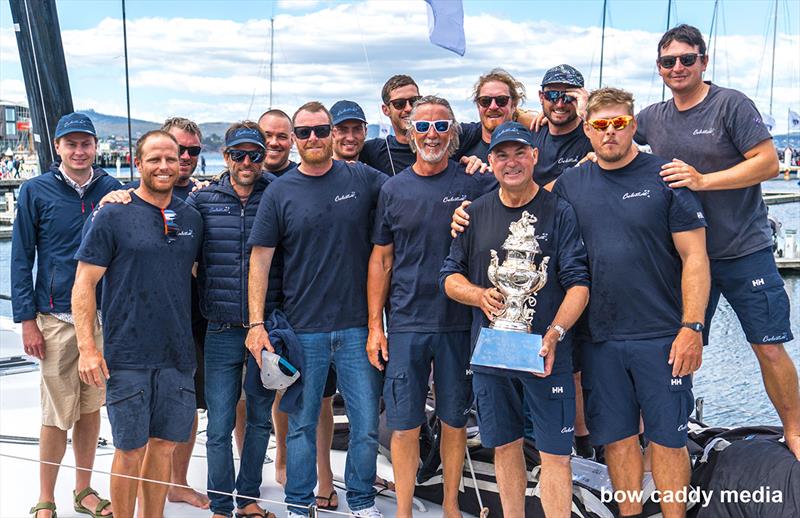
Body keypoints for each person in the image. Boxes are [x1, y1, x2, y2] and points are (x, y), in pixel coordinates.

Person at [636, 24, 800, 460]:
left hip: (745, 250)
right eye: (669, 61)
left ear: (703, 62)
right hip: (689, 260)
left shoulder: (730, 104)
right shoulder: (652, 117)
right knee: (678, 348)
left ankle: (796, 433)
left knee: (768, 344)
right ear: (659, 68)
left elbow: (766, 162)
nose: (678, 67)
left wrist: (702, 180)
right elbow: (611, 138)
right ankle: (670, 437)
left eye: (687, 59)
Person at [554, 87, 710, 518]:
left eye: (618, 124)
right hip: (599, 337)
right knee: (618, 440)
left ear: (633, 125)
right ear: (587, 130)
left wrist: (692, 327)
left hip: (662, 335)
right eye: (600, 126)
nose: (609, 134)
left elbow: (695, 257)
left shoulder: (665, 176)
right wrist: (469, 212)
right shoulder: (570, 185)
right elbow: (519, 205)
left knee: (668, 440)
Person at [440, 121, 590, 517]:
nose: (512, 162)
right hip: (494, 351)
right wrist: (478, 294)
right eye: (502, 155)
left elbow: (579, 284)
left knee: (555, 454)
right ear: (490, 161)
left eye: (520, 153)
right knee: (504, 445)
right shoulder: (473, 214)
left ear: (534, 156)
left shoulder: (560, 212)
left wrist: (556, 332)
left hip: (546, 353)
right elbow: (449, 277)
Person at [246, 102, 386, 518]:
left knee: (365, 427)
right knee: (303, 425)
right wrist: (256, 323)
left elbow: (412, 187)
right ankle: (298, 504)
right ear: (293, 139)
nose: (312, 139)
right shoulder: (280, 191)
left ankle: (360, 502)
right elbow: (260, 259)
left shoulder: (361, 178)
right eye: (303, 133)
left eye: (320, 131)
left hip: (358, 327)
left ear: (331, 135)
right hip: (302, 329)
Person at [367, 96, 496, 518]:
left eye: (441, 126)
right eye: (422, 127)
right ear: (408, 133)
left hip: (460, 322)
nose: (432, 135)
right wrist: (375, 325)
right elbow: (382, 260)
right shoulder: (393, 189)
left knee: (455, 419)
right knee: (404, 423)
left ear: (454, 132)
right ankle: (404, 510)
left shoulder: (475, 182)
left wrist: (486, 167)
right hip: (406, 321)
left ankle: (452, 507)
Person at [72, 130, 203, 518]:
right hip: (127, 355)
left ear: (181, 162)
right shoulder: (113, 212)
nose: (163, 166)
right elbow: (84, 283)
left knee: (163, 446)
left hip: (178, 355)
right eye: (154, 159)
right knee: (130, 450)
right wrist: (87, 348)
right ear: (138, 163)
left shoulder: (192, 217)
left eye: (171, 159)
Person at [11, 112, 121, 518]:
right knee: (57, 412)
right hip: (56, 317)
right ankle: (46, 497)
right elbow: (22, 258)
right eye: (71, 144)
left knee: (91, 408)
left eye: (86, 143)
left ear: (95, 146)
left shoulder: (114, 189)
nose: (79, 151)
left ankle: (84, 489)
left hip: (102, 318)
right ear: (57, 147)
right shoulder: (36, 191)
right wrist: (26, 319)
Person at [189, 122, 279, 518]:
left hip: (266, 329)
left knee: (260, 420)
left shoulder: (277, 195)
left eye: (255, 155)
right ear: (226, 157)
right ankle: (221, 504)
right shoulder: (203, 200)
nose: (247, 162)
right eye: (239, 154)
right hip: (221, 327)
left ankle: (249, 498)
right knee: (220, 423)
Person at [532, 64, 593, 189]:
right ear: (541, 97)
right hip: (537, 208)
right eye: (552, 95)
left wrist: (585, 113)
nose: (560, 104)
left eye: (568, 97)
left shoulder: (593, 136)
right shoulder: (532, 131)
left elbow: (628, 152)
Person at [456, 68, 527, 162]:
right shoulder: (462, 142)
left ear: (514, 105)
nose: (493, 106)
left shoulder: (530, 144)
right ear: (478, 105)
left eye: (501, 100)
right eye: (485, 101)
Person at [360, 75, 420, 175]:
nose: (408, 108)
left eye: (414, 101)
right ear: (386, 110)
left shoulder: (440, 144)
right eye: (399, 103)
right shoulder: (374, 150)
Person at [258, 109, 296, 176]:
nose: (273, 143)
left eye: (282, 137)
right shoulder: (242, 179)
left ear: (292, 140)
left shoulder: (303, 181)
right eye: (267, 135)